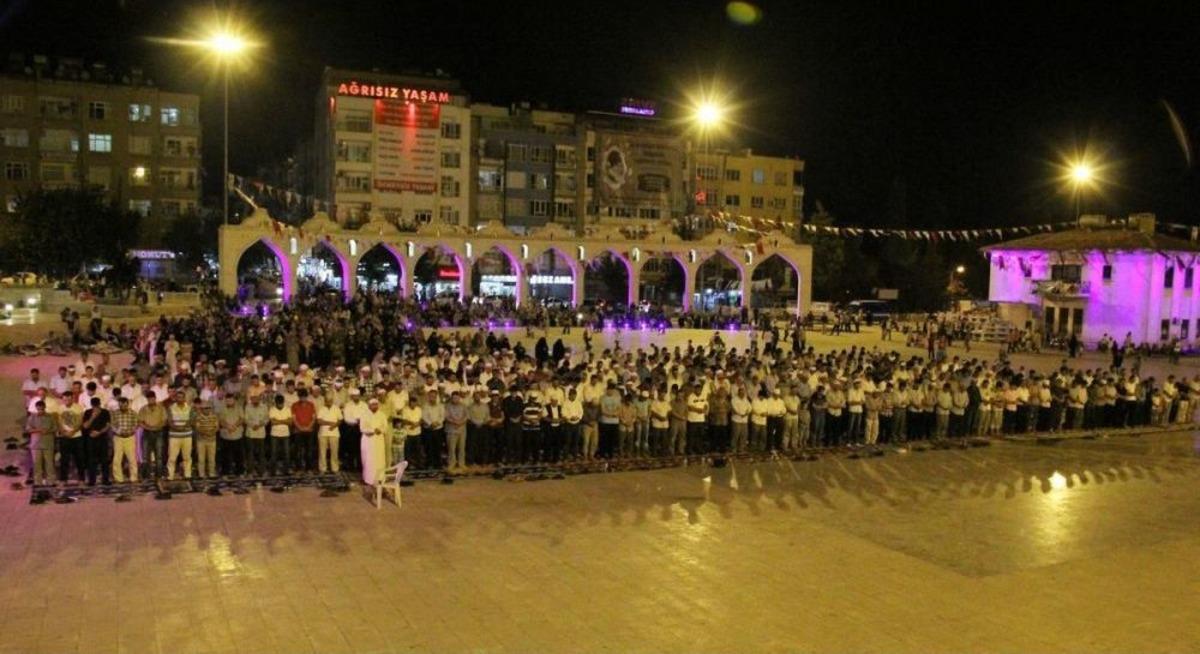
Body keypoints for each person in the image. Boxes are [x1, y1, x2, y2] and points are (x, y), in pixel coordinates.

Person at [82, 396, 112, 486]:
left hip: (102, 438)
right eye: (94, 406)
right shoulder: (87, 412)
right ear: (91, 405)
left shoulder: (105, 412)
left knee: (104, 460)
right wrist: (92, 417)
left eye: (97, 405)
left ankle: (105, 479)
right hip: (91, 439)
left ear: (100, 404)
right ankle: (92, 480)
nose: (95, 407)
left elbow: (108, 425)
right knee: (91, 460)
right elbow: (85, 426)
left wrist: (99, 432)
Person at [57, 391, 86, 483]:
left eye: (69, 399)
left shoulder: (78, 407)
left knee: (80, 459)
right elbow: (58, 423)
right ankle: (63, 480)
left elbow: (80, 422)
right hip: (64, 436)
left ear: (72, 399)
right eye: (65, 399)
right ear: (63, 399)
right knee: (64, 459)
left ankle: (81, 479)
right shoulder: (59, 408)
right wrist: (64, 432)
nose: (67, 401)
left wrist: (73, 432)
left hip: (77, 436)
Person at [26, 401, 55, 486]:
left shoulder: (50, 417)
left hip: (48, 443)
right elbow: (28, 429)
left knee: (49, 464)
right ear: (36, 408)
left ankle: (51, 481)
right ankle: (38, 482)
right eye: (38, 409)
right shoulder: (32, 417)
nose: (40, 411)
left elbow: (55, 428)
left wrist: (48, 430)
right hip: (36, 444)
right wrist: (38, 430)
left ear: (44, 408)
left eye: (42, 409)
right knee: (36, 463)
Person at [361, 397, 390, 485]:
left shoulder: (382, 415)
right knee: (368, 460)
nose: (375, 406)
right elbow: (362, 428)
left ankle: (380, 478)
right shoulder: (364, 415)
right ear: (369, 406)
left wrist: (380, 430)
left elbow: (386, 427)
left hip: (379, 440)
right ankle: (368, 479)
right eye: (373, 405)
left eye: (376, 404)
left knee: (380, 459)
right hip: (368, 441)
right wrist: (373, 430)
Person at [110, 396, 139, 483]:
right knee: (117, 459)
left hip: (130, 438)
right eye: (121, 405)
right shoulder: (115, 413)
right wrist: (119, 432)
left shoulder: (133, 413)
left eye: (124, 405)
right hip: (118, 438)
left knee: (132, 459)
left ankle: (134, 478)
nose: (123, 407)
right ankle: (119, 479)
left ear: (128, 404)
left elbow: (136, 424)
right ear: (119, 405)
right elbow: (112, 425)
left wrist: (130, 432)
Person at [138, 391, 166, 479]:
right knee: (146, 456)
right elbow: (140, 422)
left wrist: (156, 428)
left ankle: (159, 475)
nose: (151, 400)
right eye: (149, 399)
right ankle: (147, 476)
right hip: (147, 433)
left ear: (155, 398)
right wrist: (149, 428)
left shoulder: (161, 408)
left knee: (159, 456)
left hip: (159, 433)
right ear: (147, 399)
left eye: (152, 398)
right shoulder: (143, 409)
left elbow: (164, 421)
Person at [290, 389, 317, 472]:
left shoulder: (311, 405)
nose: (303, 399)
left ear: (306, 397)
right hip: (298, 431)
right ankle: (298, 468)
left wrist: (309, 427)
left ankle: (309, 468)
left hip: (309, 431)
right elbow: (294, 419)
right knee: (298, 450)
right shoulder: (294, 405)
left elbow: (314, 418)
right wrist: (300, 428)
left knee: (309, 450)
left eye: (304, 397)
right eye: (301, 397)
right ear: (299, 397)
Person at [316, 392, 343, 473]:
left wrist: (334, 426)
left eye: (330, 400)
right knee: (322, 452)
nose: (328, 402)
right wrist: (330, 423)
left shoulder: (336, 408)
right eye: (327, 401)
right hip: (323, 433)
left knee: (334, 452)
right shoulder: (321, 408)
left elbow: (340, 420)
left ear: (332, 400)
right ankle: (322, 468)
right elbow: (319, 421)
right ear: (324, 401)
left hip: (334, 433)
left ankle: (335, 468)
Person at [243, 393, 269, 476]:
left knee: (261, 453)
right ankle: (251, 471)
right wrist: (252, 425)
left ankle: (262, 470)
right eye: (253, 398)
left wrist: (260, 425)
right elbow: (245, 419)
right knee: (250, 453)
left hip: (261, 433)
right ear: (251, 399)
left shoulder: (264, 407)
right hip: (250, 433)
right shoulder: (247, 407)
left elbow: (267, 419)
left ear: (259, 398)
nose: (255, 400)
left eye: (256, 398)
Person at [193, 400, 220, 478]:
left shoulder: (214, 416)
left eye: (208, 408)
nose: (207, 409)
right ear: (202, 409)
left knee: (212, 458)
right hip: (201, 441)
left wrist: (212, 432)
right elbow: (197, 428)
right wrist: (206, 433)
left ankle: (211, 473)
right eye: (205, 408)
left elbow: (217, 427)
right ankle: (201, 474)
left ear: (211, 409)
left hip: (212, 440)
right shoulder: (198, 417)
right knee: (201, 459)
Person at [268, 395, 293, 475]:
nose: (280, 405)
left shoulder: (287, 409)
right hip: (274, 434)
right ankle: (273, 471)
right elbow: (273, 422)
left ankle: (286, 470)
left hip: (285, 434)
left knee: (287, 453)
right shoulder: (272, 410)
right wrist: (284, 421)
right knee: (274, 453)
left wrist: (278, 421)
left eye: (281, 403)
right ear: (276, 403)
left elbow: (290, 422)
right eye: (279, 404)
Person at [444, 391, 468, 472]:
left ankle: (462, 463)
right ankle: (451, 463)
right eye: (454, 398)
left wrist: (461, 422)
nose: (455, 399)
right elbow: (446, 417)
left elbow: (466, 416)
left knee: (462, 448)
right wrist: (454, 422)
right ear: (451, 398)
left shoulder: (463, 406)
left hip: (462, 430)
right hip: (451, 430)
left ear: (459, 398)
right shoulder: (447, 406)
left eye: (457, 398)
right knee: (451, 448)